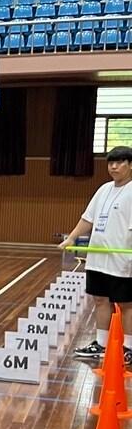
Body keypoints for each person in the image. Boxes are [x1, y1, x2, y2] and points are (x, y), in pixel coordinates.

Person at [62, 146, 132, 364]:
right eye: (111, 162)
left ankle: (128, 347)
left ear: (130, 165)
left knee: (126, 303)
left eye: (119, 162)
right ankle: (101, 344)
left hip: (122, 260)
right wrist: (72, 237)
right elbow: (88, 218)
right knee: (100, 300)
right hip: (97, 258)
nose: (114, 167)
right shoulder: (103, 189)